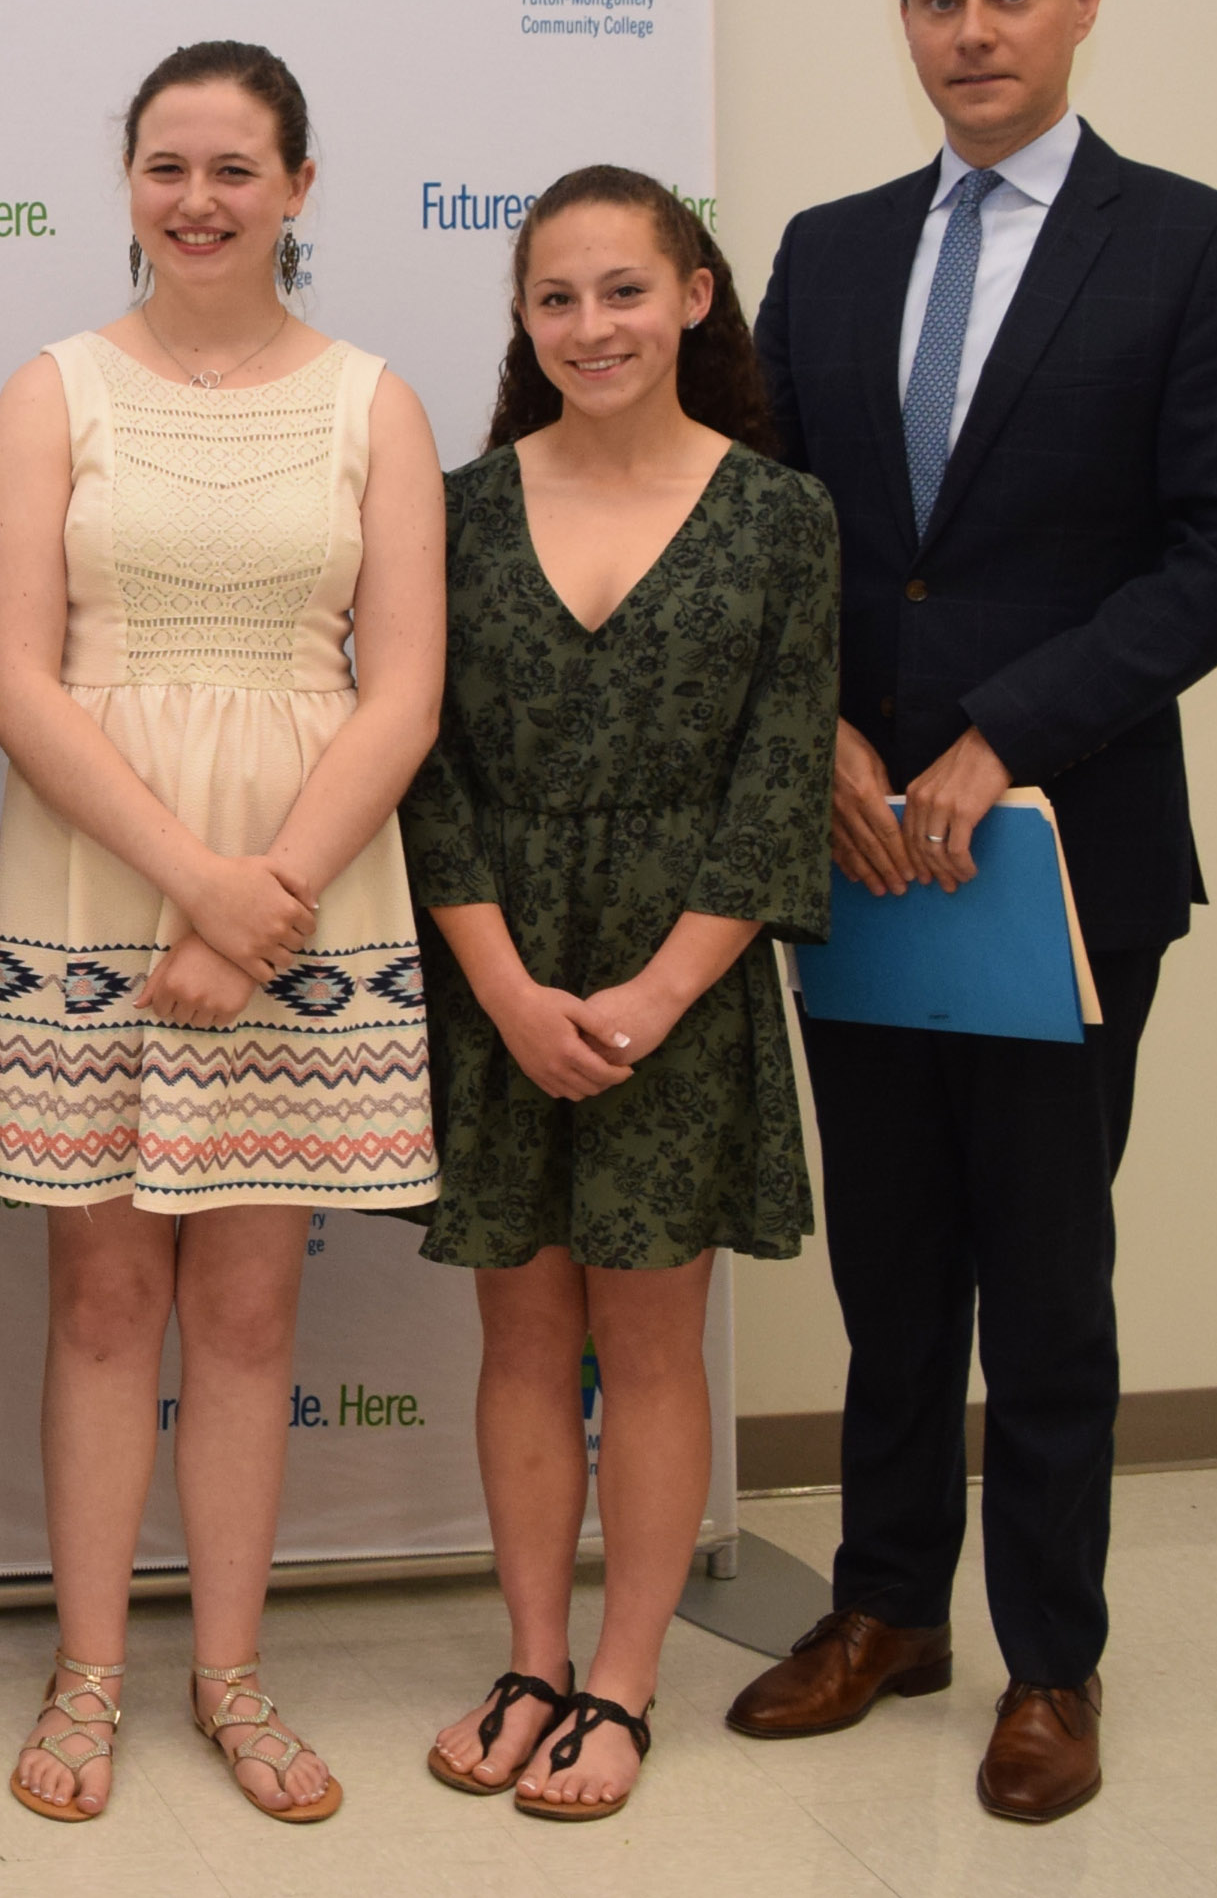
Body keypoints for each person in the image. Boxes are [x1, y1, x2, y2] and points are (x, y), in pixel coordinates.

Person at [726, 0, 1217, 1823]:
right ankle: (890, 1609)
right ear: (905, 19)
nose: (972, 30)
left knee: (1047, 1279)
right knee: (892, 1267)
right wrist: (831, 744)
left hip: (1060, 857)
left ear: (1084, 5)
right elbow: (768, 529)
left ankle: (1052, 1662)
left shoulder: (1200, 248)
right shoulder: (830, 243)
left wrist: (1000, 740)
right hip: (858, 846)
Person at [0, 41, 443, 1827]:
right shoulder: (49, 392)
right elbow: (13, 676)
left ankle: (231, 1679)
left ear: (299, 186)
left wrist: (269, 899)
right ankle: (89, 1679)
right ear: (127, 181)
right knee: (99, 1304)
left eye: (236, 167)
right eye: (168, 165)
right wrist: (196, 886)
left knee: (244, 1309)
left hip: (313, 887)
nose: (199, 199)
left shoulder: (371, 403)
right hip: (97, 876)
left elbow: (404, 692)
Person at [404, 168, 838, 1823]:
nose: (594, 327)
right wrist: (507, 987)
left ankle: (627, 1679)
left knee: (652, 1346)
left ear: (696, 298)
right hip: (495, 968)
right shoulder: (450, 507)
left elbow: (778, 778)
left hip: (689, 975)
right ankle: (532, 1659)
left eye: (625, 292)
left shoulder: (781, 515)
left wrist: (658, 993)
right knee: (522, 1331)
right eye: (558, 299)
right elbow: (424, 768)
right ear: (523, 322)